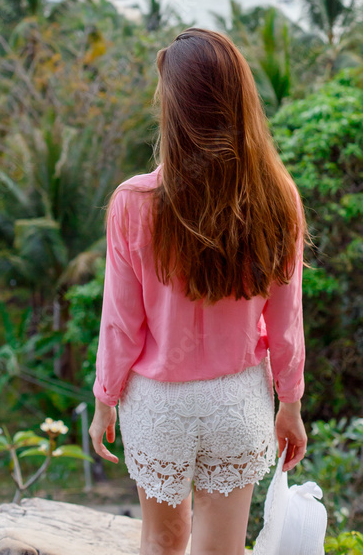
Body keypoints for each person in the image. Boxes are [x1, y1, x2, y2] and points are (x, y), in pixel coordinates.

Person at [89, 27, 309, 555]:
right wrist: (291, 403)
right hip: (238, 400)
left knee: (161, 543)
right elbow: (286, 322)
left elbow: (122, 322)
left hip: (160, 404)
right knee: (223, 549)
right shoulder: (278, 198)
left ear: (175, 109)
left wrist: (104, 400)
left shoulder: (134, 202)